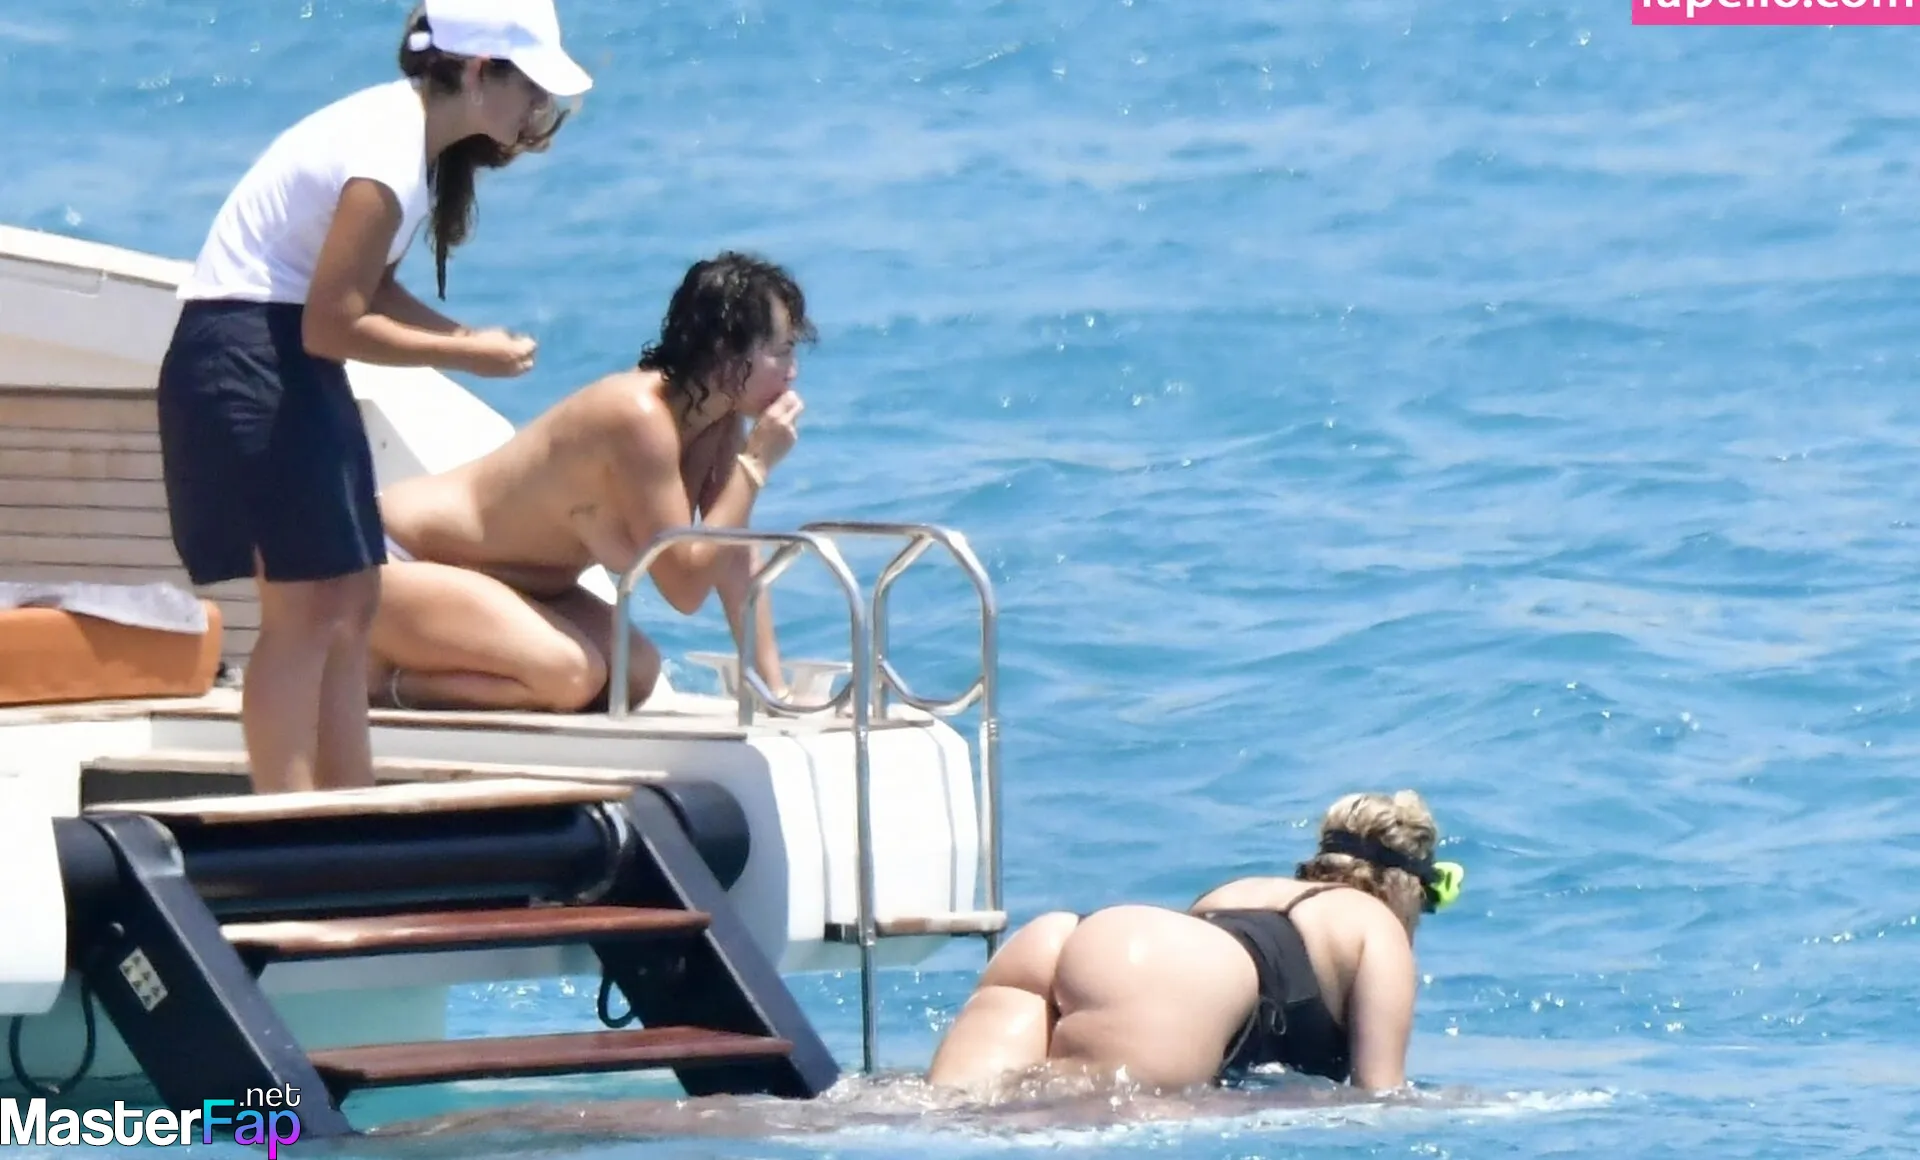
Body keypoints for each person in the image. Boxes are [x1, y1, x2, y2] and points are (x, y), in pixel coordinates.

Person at [154, 0, 592, 793]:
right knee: (303, 614)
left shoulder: (404, 140)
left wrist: (465, 337)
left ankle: (345, 805)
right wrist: (464, 356)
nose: (538, 106)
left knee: (353, 599)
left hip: (280, 355)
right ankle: (288, 820)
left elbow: (368, 289)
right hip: (251, 353)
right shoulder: (387, 151)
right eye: (530, 85)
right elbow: (333, 322)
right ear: (478, 71)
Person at [364, 251, 814, 714]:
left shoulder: (716, 418)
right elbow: (685, 586)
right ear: (725, 352)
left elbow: (733, 553)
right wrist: (754, 467)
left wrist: (772, 692)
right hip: (394, 557)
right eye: (781, 351)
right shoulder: (638, 418)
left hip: (509, 581)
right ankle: (373, 679)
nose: (793, 371)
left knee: (635, 673)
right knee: (570, 677)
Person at [925, 790, 1464, 1095]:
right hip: (1154, 973)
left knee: (948, 1113)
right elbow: (1380, 1093)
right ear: (1411, 886)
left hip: (1058, 938)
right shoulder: (1375, 924)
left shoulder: (1243, 888)